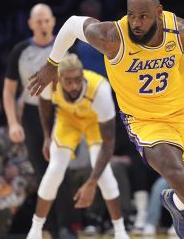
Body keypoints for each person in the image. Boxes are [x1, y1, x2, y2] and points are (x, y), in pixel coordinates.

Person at [27, 0, 184, 239]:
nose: (136, 22)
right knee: (174, 172)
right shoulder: (111, 36)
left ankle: (176, 203)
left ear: (158, 12)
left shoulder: (180, 30)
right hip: (145, 120)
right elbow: (70, 25)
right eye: (131, 14)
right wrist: (52, 63)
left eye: (143, 16)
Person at [26, 55, 129, 239]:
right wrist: (47, 137)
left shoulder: (101, 90)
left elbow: (109, 144)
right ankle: (35, 229)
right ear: (60, 78)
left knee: (104, 175)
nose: (73, 86)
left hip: (94, 121)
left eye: (77, 80)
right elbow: (44, 102)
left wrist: (91, 183)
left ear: (83, 75)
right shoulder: (51, 82)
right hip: (68, 119)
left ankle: (120, 231)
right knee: (55, 170)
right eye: (68, 81)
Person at [3, 3, 56, 179]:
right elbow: (9, 91)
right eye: (39, 21)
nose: (43, 25)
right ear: (30, 24)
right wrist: (13, 123)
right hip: (31, 114)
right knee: (40, 169)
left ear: (53, 22)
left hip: (61, 111)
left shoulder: (67, 47)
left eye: (46, 21)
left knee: (62, 167)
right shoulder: (20, 51)